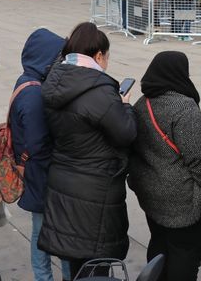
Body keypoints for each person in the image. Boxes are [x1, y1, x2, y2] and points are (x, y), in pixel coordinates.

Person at [38, 23, 137, 278]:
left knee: (73, 257)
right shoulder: (100, 92)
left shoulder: (54, 81)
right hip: (95, 187)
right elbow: (126, 133)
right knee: (97, 264)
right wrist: (125, 106)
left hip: (63, 179)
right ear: (99, 55)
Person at [128, 51, 201, 281]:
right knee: (185, 258)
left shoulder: (143, 104)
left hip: (152, 197)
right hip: (183, 204)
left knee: (159, 249)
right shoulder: (184, 109)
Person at [9, 29, 71, 281]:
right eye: (59, 58)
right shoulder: (35, 93)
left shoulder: (26, 80)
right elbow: (37, 143)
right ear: (46, 59)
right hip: (41, 175)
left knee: (42, 229)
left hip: (36, 173)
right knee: (48, 232)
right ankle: (46, 277)